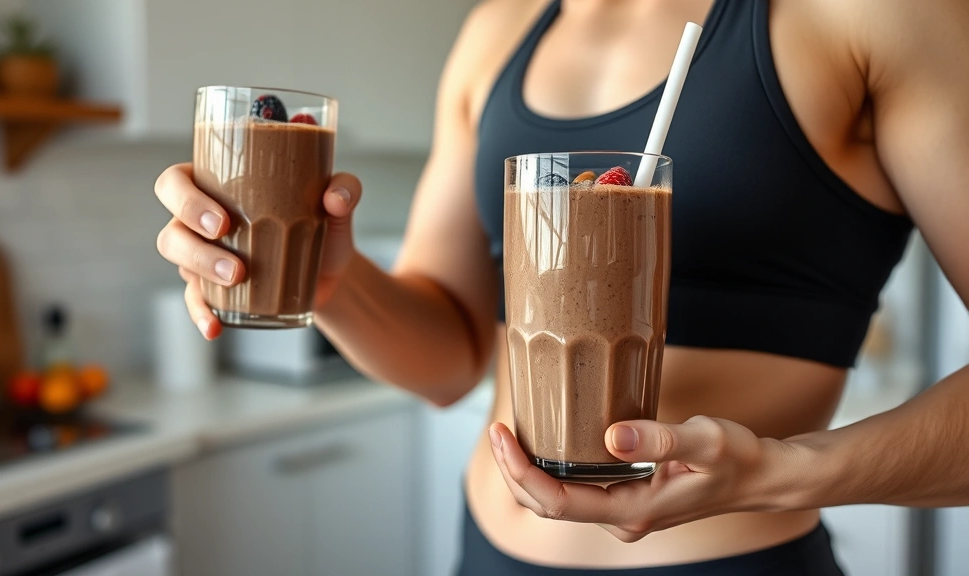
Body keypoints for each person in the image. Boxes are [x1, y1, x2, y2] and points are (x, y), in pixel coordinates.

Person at [154, 0, 969, 573]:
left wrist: (788, 474)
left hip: (731, 565)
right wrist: (336, 285)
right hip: (487, 556)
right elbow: (450, 358)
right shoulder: (495, 32)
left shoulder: (870, 11)